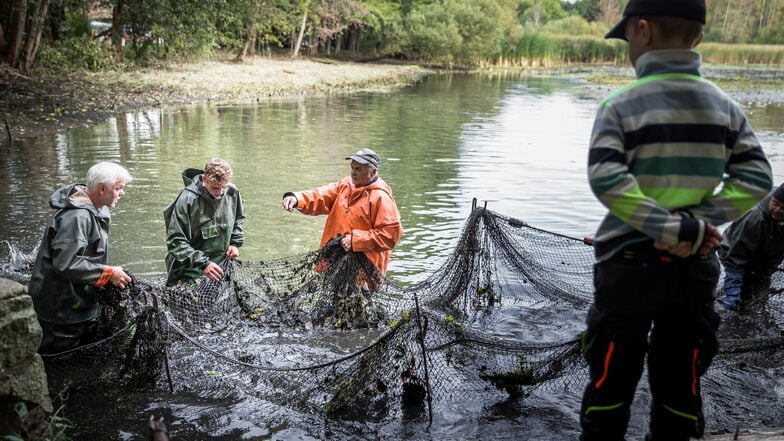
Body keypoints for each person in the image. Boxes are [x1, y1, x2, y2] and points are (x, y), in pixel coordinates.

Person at [580, 0, 773, 440]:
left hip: (627, 262)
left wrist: (668, 228)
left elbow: (607, 177)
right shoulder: (724, 106)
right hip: (694, 265)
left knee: (612, 368)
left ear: (642, 31)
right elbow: (758, 176)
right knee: (681, 374)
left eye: (627, 37)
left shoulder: (620, 104)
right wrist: (698, 224)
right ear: (699, 39)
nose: (628, 48)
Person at [28, 161, 134, 354]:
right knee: (59, 357)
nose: (122, 193)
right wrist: (108, 273)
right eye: (118, 188)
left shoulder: (98, 208)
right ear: (102, 188)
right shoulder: (77, 217)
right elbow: (67, 264)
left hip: (75, 299)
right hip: (58, 307)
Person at [281, 148, 403, 281]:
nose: (353, 173)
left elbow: (390, 235)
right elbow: (320, 196)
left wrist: (356, 240)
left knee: (356, 301)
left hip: (363, 273)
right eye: (352, 168)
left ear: (373, 172)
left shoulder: (380, 198)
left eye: (358, 169)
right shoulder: (345, 185)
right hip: (334, 263)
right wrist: (297, 199)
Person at [164, 158, 245, 286]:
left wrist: (235, 243)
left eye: (223, 187)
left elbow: (238, 219)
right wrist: (203, 263)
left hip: (219, 265)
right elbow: (175, 241)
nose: (219, 193)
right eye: (215, 188)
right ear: (203, 179)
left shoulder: (232, 192)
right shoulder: (188, 199)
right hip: (189, 268)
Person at [717, 183, 784, 311]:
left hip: (767, 255)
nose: (777, 210)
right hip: (734, 251)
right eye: (775, 204)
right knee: (742, 295)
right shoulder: (754, 218)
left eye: (783, 208)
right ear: (772, 199)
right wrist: (733, 292)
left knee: (759, 297)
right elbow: (736, 259)